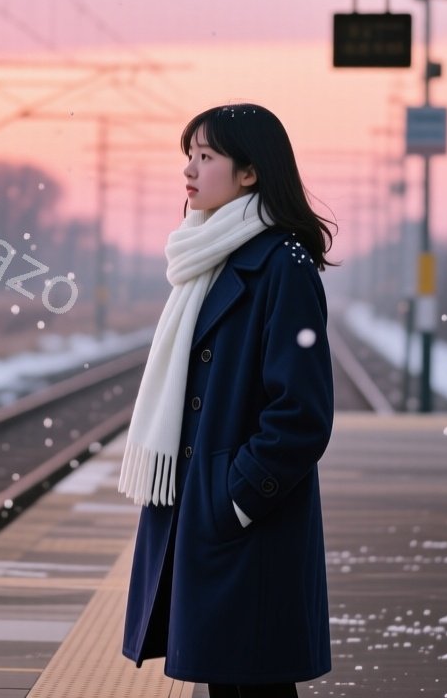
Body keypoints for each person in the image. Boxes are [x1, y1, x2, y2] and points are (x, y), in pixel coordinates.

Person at [118, 103, 338, 698]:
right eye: (188, 156)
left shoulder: (281, 265)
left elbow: (302, 412)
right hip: (205, 515)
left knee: (252, 685)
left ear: (250, 172)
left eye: (206, 156)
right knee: (232, 684)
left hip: (245, 524)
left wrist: (237, 496)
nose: (190, 170)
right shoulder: (206, 258)